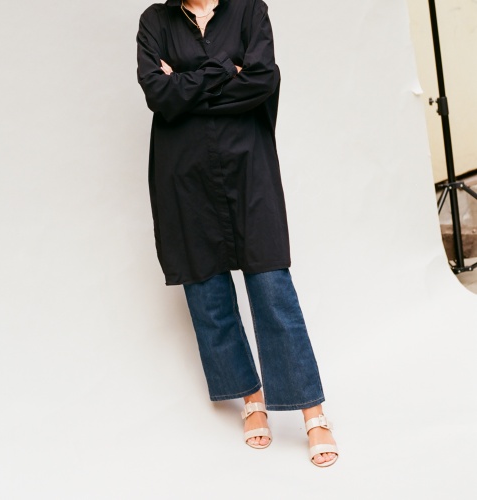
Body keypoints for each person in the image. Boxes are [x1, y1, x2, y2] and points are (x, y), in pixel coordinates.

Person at [136, 0, 338, 466]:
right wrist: (226, 70)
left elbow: (263, 80)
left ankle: (313, 412)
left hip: (248, 167)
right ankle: (251, 399)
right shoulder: (155, 21)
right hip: (184, 174)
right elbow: (158, 95)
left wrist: (185, 83)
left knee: (271, 284)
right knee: (205, 287)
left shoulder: (249, 11)